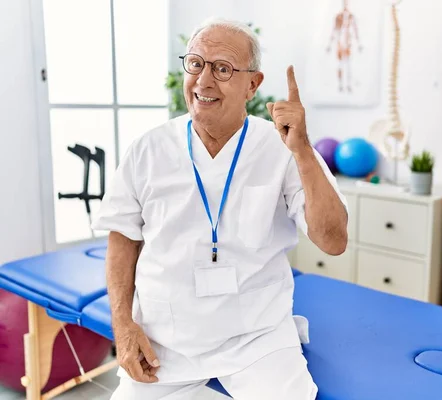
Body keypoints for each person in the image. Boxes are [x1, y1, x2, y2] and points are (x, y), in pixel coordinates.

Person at [91, 16, 348, 400]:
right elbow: (123, 238)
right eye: (196, 64)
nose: (204, 81)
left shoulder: (285, 148)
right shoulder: (148, 148)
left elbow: (333, 241)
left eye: (223, 69)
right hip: (166, 339)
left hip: (257, 337)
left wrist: (304, 153)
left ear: (252, 85)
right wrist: (123, 325)